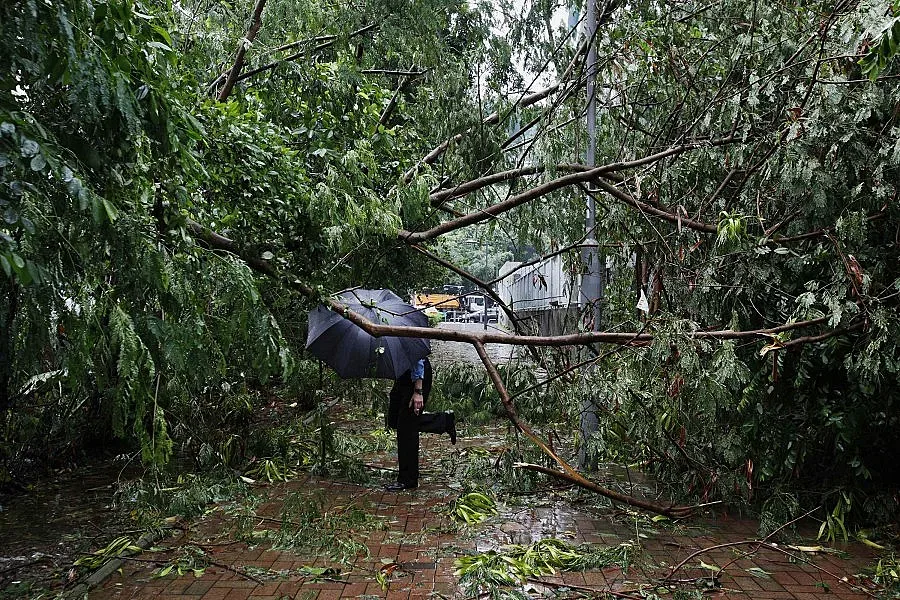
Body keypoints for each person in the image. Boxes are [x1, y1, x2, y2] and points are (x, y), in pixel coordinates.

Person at [385, 357, 456, 490]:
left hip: (417, 377)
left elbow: (417, 357)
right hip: (403, 373)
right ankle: (444, 421)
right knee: (395, 420)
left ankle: (408, 480)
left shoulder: (410, 337)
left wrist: (418, 391)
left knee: (406, 430)